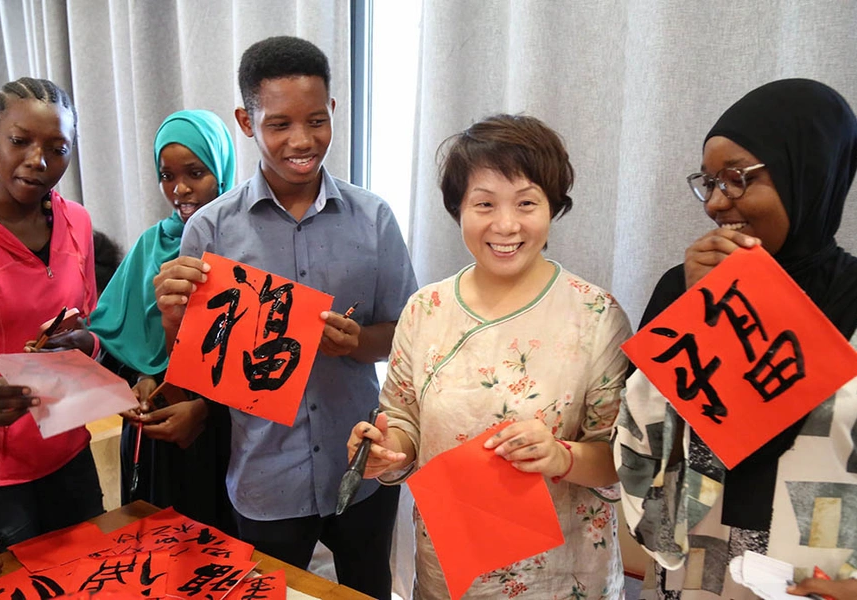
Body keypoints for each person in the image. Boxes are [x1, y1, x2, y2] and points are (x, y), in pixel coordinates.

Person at [153, 36, 416, 598]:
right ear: (247, 121)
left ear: (333, 113)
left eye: (316, 121)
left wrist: (355, 342)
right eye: (279, 125)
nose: (302, 141)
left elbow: (400, 335)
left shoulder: (374, 219)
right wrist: (174, 316)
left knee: (370, 586)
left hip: (361, 463)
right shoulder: (212, 229)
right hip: (265, 473)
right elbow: (195, 358)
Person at [348, 114, 632, 598]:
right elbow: (403, 420)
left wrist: (559, 456)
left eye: (526, 203)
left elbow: (621, 461)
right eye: (484, 204)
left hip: (563, 575)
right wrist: (383, 450)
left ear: (552, 207)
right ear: (458, 209)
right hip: (450, 568)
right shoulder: (425, 310)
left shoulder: (595, 314)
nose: (506, 224)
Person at [613, 79, 857, 599]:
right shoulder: (681, 290)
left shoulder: (853, 302)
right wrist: (702, 317)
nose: (715, 204)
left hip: (819, 585)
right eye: (709, 182)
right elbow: (637, 461)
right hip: (694, 575)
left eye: (735, 179)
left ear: (808, 173)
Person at [0, 77, 103, 547]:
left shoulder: (76, 221)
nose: (38, 162)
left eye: (58, 148)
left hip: (69, 451)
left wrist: (86, 345)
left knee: (90, 577)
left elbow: (92, 326)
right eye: (20, 142)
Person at [85, 110, 236, 532]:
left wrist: (205, 410)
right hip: (157, 437)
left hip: (229, 438)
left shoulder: (243, 245)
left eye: (196, 172)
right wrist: (141, 379)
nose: (180, 189)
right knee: (160, 553)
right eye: (167, 176)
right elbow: (113, 340)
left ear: (221, 171)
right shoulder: (151, 245)